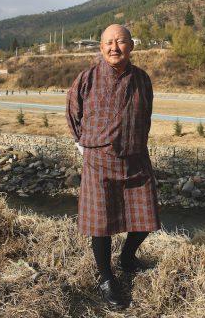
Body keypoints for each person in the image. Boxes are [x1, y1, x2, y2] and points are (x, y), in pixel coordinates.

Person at [66, 24, 160, 309]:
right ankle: (106, 278)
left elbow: (147, 114)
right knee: (101, 225)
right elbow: (73, 114)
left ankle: (127, 258)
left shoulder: (142, 79)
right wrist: (85, 144)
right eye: (109, 42)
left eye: (120, 42)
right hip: (99, 161)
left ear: (131, 45)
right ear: (100, 47)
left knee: (147, 217)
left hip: (136, 159)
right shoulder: (87, 78)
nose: (114, 47)